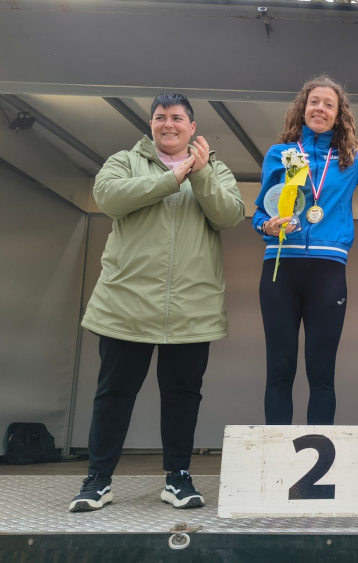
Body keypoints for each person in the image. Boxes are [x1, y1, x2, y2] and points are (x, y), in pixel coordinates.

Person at [71, 92, 245, 512]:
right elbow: (108, 198)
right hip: (126, 304)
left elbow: (230, 215)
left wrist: (200, 175)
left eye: (178, 118)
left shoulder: (215, 168)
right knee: (114, 393)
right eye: (161, 117)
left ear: (192, 127)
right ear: (150, 125)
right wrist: (172, 179)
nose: (169, 124)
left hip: (191, 308)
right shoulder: (124, 161)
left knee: (183, 395)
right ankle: (98, 479)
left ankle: (178, 478)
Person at [253, 75, 358, 425]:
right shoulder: (280, 155)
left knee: (322, 371)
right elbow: (259, 212)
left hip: (328, 271)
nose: (320, 109)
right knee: (279, 369)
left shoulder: (350, 159)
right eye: (314, 102)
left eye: (329, 104)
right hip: (280, 268)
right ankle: (277, 452)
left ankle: (319, 453)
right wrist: (266, 226)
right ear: (303, 108)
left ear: (339, 115)